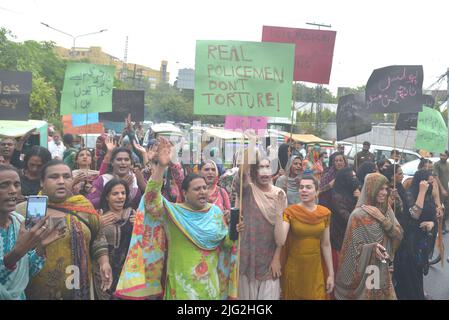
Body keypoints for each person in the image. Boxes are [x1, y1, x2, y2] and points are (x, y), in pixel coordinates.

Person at [115, 137, 242, 300]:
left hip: (210, 288)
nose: (203, 191)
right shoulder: (174, 213)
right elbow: (151, 201)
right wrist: (161, 166)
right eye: (197, 189)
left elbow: (225, 244)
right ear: (185, 194)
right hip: (181, 287)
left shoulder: (216, 212)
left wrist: (235, 232)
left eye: (204, 188)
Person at [16, 160, 112, 300]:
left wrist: (104, 262)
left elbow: (98, 237)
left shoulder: (84, 208)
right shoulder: (25, 210)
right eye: (54, 177)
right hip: (35, 290)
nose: (61, 181)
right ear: (42, 182)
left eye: (66, 176)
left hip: (77, 289)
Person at [0, 164, 65, 300]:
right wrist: (16, 253)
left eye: (16, 185)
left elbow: (26, 272)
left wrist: (41, 247)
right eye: (4, 185)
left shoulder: (19, 222)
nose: (13, 191)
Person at [334, 173, 403, 300]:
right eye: (380, 189)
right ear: (371, 189)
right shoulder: (358, 215)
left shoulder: (386, 210)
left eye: (385, 189)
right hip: (367, 272)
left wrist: (383, 220)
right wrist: (372, 249)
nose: (384, 192)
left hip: (384, 266)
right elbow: (351, 250)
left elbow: (398, 234)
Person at [236, 150, 288, 300]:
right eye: (260, 167)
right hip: (248, 257)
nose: (265, 172)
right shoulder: (248, 189)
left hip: (270, 259)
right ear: (254, 171)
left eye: (267, 167)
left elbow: (281, 236)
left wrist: (276, 258)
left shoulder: (280, 194)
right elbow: (241, 174)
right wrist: (252, 143)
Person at [274, 175, 334, 300]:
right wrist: (279, 214)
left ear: (317, 191)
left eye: (308, 187)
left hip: (316, 269)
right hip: (295, 269)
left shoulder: (325, 213)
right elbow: (281, 240)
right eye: (301, 187)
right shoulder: (291, 212)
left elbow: (326, 244)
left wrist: (331, 273)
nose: (304, 190)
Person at [394, 170, 437, 300]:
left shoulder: (429, 196)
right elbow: (414, 214)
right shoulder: (410, 194)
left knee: (417, 274)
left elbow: (433, 217)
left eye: (431, 182)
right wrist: (422, 192)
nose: (430, 184)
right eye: (427, 182)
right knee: (409, 276)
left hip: (421, 243)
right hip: (409, 243)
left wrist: (432, 224)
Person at [93, 179, 136, 300]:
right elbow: (90, 240)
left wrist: (140, 225)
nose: (120, 197)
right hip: (104, 268)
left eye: (123, 193)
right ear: (107, 196)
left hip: (127, 270)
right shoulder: (99, 215)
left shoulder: (133, 214)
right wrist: (97, 224)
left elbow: (143, 240)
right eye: (115, 194)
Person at [329, 167, 360, 274]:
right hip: (340, 238)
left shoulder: (352, 192)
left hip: (352, 238)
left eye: (355, 177)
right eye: (352, 177)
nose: (355, 180)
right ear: (344, 179)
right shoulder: (337, 197)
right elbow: (350, 219)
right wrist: (358, 201)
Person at [433, 151, 449, 232]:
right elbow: (436, 177)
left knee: (446, 207)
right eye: (441, 155)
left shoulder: (448, 164)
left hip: (447, 190)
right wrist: (442, 189)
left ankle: (444, 225)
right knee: (440, 208)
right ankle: (440, 226)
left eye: (444, 155)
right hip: (439, 190)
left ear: (447, 156)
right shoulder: (437, 164)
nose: (442, 157)